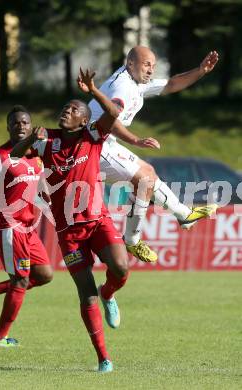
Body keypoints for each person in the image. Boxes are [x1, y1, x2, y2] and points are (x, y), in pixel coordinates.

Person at [10, 69, 130, 373]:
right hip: (69, 232)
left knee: (121, 267)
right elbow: (13, 153)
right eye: (65, 108)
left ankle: (110, 293)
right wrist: (28, 143)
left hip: (97, 220)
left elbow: (114, 112)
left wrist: (92, 89)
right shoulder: (46, 139)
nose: (67, 112)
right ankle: (103, 357)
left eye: (74, 110)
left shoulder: (93, 135)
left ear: (84, 120)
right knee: (85, 291)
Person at [89, 46, 219, 262]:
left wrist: (200, 70)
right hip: (92, 144)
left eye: (153, 66)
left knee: (148, 174)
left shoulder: (135, 82)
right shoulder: (123, 87)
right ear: (131, 63)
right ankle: (133, 239)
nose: (151, 70)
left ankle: (183, 215)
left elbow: (171, 84)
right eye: (147, 64)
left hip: (103, 140)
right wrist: (135, 140)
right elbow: (109, 120)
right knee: (144, 180)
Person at [0, 105, 53, 347]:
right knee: (20, 280)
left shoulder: (36, 156)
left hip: (28, 226)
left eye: (25, 122)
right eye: (16, 123)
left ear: (31, 125)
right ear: (8, 127)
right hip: (8, 225)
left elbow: (40, 181)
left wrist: (47, 196)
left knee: (44, 274)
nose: (21, 126)